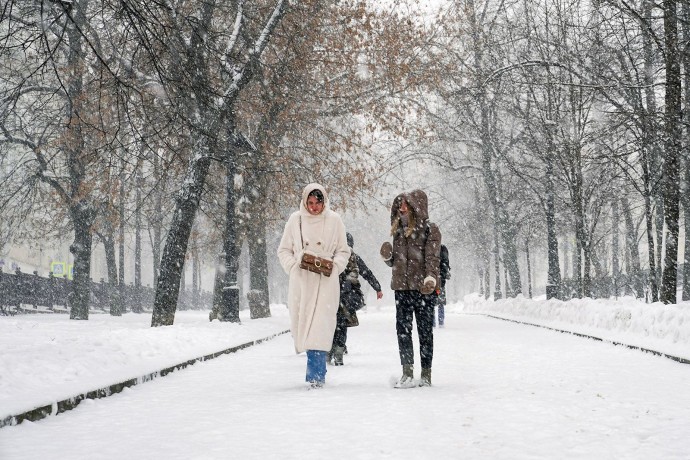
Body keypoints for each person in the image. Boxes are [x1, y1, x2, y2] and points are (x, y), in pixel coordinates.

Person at [278, 183, 351, 388]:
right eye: (309, 203)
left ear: (324, 201)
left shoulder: (334, 220)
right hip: (302, 280)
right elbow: (283, 250)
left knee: (320, 328)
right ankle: (317, 373)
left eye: (317, 203)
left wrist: (335, 267)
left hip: (325, 281)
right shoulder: (295, 220)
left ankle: (316, 377)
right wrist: (293, 267)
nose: (313, 207)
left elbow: (343, 251)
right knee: (304, 326)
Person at [380, 190, 441, 388]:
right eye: (400, 204)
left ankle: (426, 374)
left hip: (423, 289)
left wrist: (430, 277)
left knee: (424, 332)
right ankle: (407, 372)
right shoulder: (398, 231)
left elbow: (433, 258)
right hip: (402, 289)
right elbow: (398, 263)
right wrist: (388, 258)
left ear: (417, 207)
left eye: (406, 204)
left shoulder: (430, 230)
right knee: (403, 331)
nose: (402, 208)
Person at [329, 232, 384, 366]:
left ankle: (331, 351)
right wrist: (377, 288)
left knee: (331, 324)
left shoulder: (332, 256)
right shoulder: (354, 258)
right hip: (347, 297)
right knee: (341, 325)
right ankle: (338, 353)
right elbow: (367, 273)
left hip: (332, 295)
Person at [434, 244, 451, 328]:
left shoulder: (430, 247)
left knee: (430, 302)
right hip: (440, 280)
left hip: (431, 279)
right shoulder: (442, 248)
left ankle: (432, 322)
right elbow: (446, 264)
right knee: (440, 302)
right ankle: (441, 322)